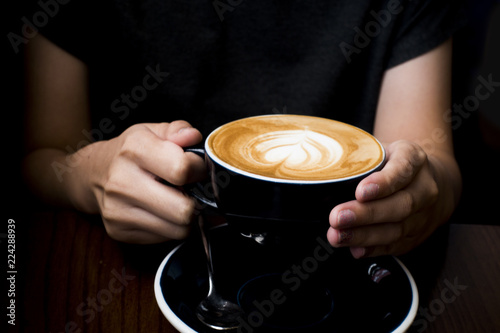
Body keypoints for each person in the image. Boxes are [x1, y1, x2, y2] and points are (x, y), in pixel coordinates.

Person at [22, 0, 465, 258]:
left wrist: (424, 192)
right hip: (136, 266)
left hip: (339, 270)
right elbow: (39, 158)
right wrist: (87, 174)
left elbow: (432, 163)